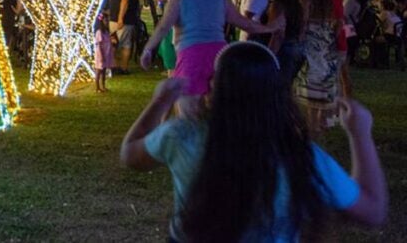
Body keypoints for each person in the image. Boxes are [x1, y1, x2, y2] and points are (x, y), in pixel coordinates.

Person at [121, 41, 388, 241]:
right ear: (277, 96)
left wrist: (160, 102)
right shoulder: (300, 157)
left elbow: (130, 155)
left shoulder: (180, 136)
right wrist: (360, 134)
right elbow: (372, 211)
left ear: (216, 88)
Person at [141, 0, 277, 97]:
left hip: (190, 53)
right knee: (215, 102)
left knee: (187, 102)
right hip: (219, 53)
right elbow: (246, 24)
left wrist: (148, 49)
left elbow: (163, 27)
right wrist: (271, 28)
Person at [295, 0, 343, 134]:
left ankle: (312, 125)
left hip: (312, 44)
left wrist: (299, 37)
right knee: (324, 86)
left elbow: (304, 20)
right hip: (327, 44)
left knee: (310, 86)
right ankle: (321, 123)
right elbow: (339, 24)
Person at [262, 0, 306, 84]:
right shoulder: (296, 5)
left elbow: (277, 34)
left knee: (274, 89)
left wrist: (268, 56)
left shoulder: (277, 5)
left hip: (281, 51)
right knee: (285, 89)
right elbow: (302, 29)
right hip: (295, 49)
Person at [109, 0, 141, 73]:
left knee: (114, 42)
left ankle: (112, 67)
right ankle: (124, 67)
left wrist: (120, 18)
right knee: (126, 44)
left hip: (121, 20)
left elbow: (125, 0)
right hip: (130, 19)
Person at [336, 0, 362, 65]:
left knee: (344, 62)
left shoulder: (349, 2)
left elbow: (343, 16)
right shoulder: (353, 1)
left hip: (348, 32)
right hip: (350, 32)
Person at [93, 13, 113, 92]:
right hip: (101, 54)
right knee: (99, 71)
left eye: (108, 20)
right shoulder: (99, 32)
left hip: (106, 53)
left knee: (104, 70)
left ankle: (103, 86)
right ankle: (97, 87)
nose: (107, 22)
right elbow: (99, 45)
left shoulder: (106, 32)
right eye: (105, 20)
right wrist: (101, 55)